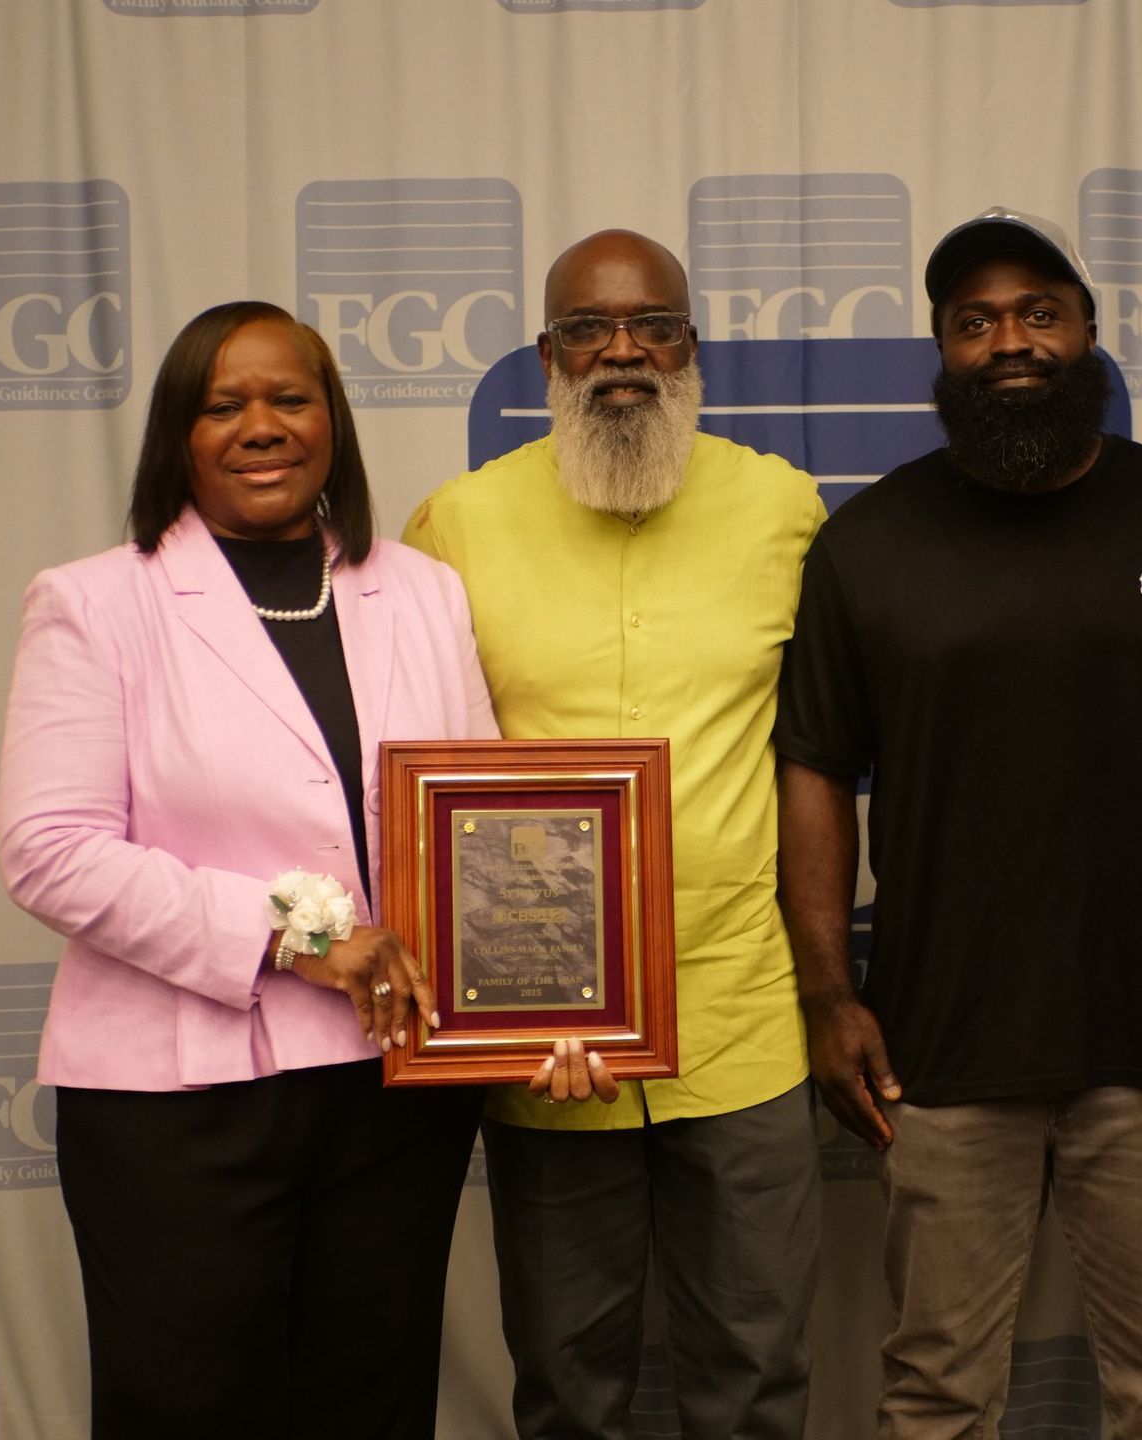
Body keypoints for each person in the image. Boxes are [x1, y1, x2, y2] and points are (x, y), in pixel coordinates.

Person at [0, 300, 591, 1440]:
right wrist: (298, 941)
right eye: (224, 405)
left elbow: (484, 834)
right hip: (178, 1109)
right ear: (180, 433)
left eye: (289, 398)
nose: (260, 425)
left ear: (334, 424)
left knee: (369, 1405)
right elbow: (48, 850)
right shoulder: (95, 601)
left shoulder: (421, 591)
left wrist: (556, 1005)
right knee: (189, 1408)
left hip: (389, 1095)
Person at [774, 207, 1142, 1439]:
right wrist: (832, 996)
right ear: (942, 348)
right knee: (935, 1396)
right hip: (941, 1047)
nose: (1012, 340)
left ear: (1090, 332)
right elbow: (817, 772)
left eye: (1040, 312)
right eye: (976, 320)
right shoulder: (870, 542)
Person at [403, 230, 827, 1440]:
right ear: (547, 356)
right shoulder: (458, 527)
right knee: (569, 1383)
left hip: (741, 1023)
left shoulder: (782, 510)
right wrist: (491, 1000)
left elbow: (837, 744)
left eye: (654, 328)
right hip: (540, 1040)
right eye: (590, 329)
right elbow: (414, 779)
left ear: (693, 352)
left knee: (756, 1376)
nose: (623, 352)